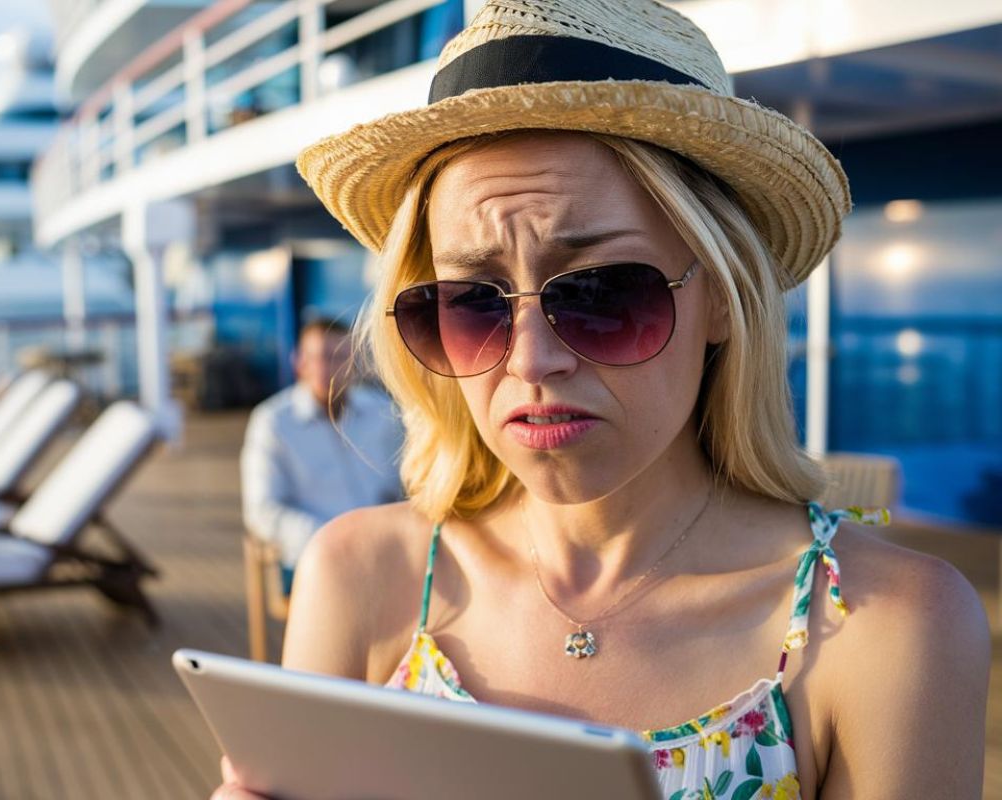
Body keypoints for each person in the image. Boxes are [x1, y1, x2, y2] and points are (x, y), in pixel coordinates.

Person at [217, 1, 990, 797]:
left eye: (601, 293)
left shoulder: (885, 628)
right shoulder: (358, 577)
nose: (533, 360)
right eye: (472, 302)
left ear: (723, 295)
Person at [240, 316, 405, 595]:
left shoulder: (383, 412)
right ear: (299, 362)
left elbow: (407, 486)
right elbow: (262, 511)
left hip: (387, 550)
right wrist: (334, 542)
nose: (328, 367)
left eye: (339, 356)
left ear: (353, 363)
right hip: (313, 557)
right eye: (319, 357)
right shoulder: (273, 422)